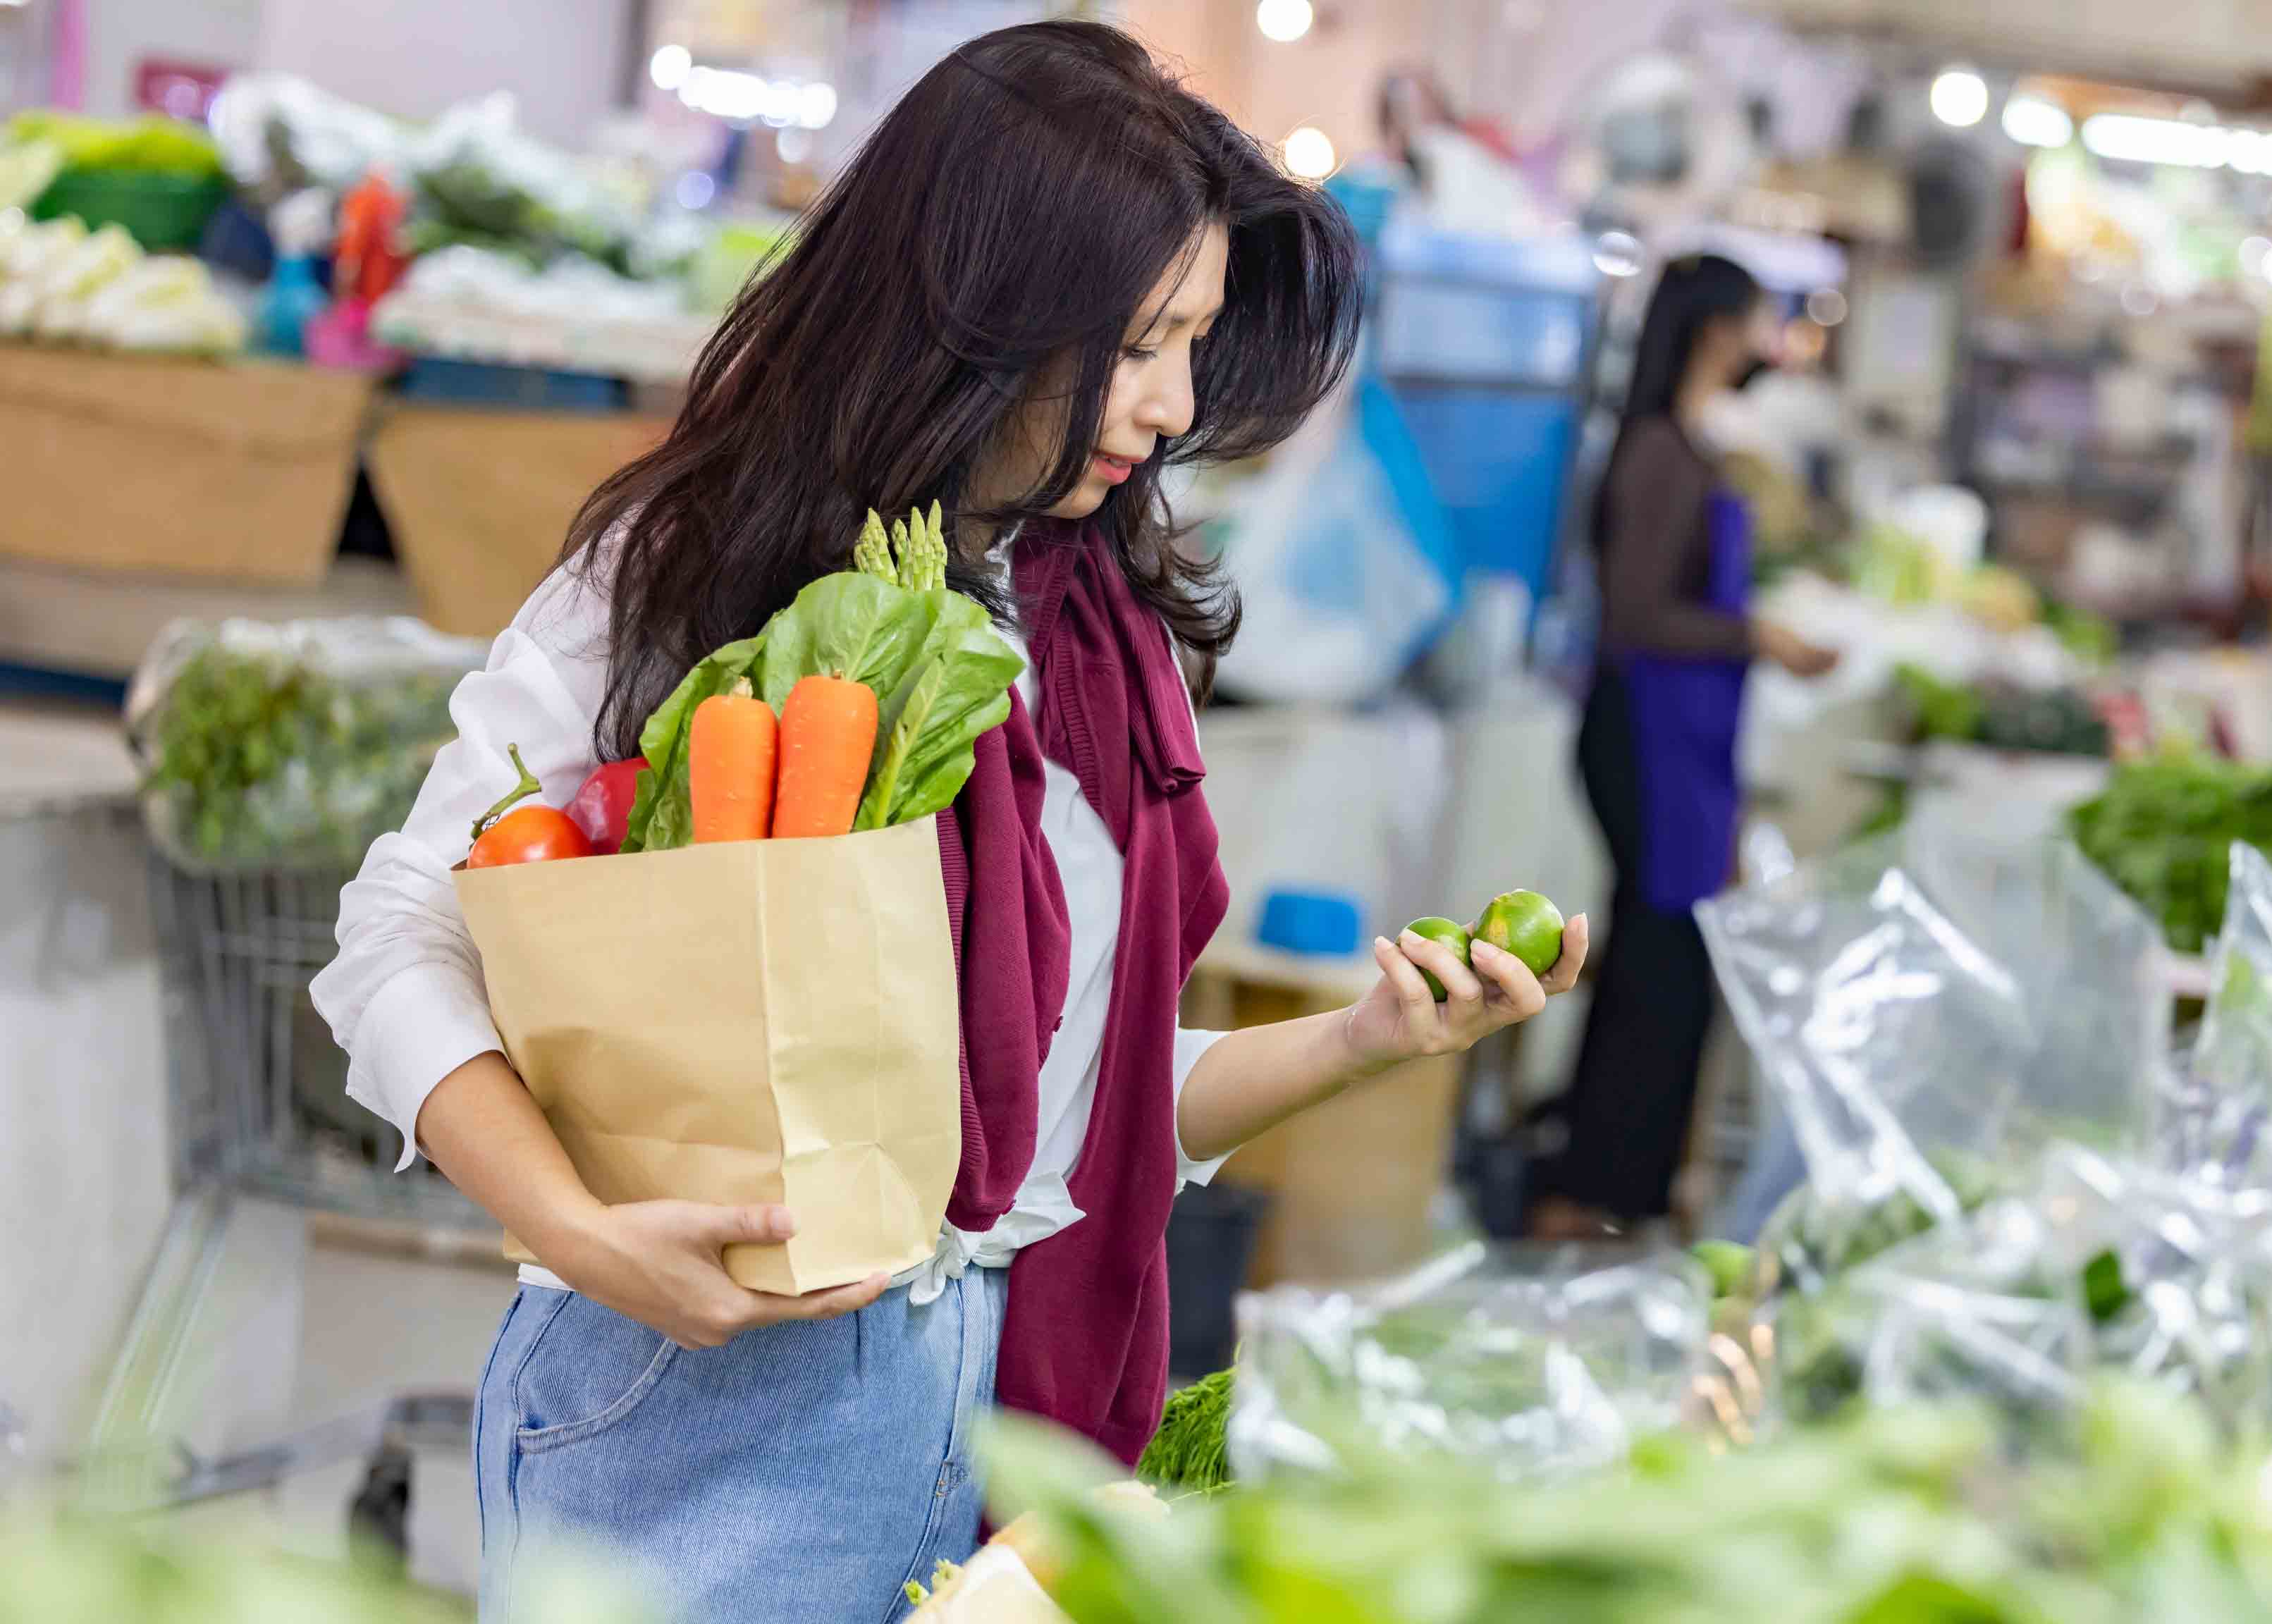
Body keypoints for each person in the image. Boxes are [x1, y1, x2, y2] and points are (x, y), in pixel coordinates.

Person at [310, 23, 1589, 1623]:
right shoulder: (687, 570)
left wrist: (1362, 1043)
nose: (1175, 404)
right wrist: (580, 1228)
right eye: (1136, 348)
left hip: (1008, 1420)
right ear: (980, 315)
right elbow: (396, 940)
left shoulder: (1116, 638)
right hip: (705, 1395)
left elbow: (1084, 1120)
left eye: (1195, 342)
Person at [1525, 253, 1834, 1243]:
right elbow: (1636, 613)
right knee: (1657, 975)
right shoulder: (1660, 451)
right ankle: (1596, 1194)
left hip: (1684, 745)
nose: (1770, 340)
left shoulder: (1687, 444)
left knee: (1668, 969)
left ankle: (1627, 1189)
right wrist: (1758, 635)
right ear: (1715, 330)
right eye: (1758, 319)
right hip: (1645, 738)